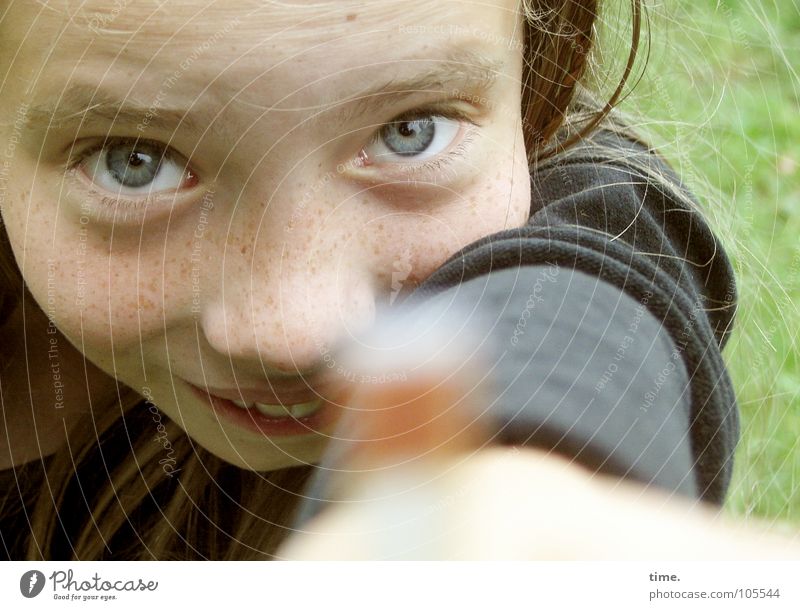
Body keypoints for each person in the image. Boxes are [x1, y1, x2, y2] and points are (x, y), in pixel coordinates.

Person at [0, 0, 794, 560]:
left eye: (409, 133)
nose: (299, 331)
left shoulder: (590, 216)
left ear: (541, 67)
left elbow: (578, 310)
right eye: (133, 162)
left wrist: (512, 499)